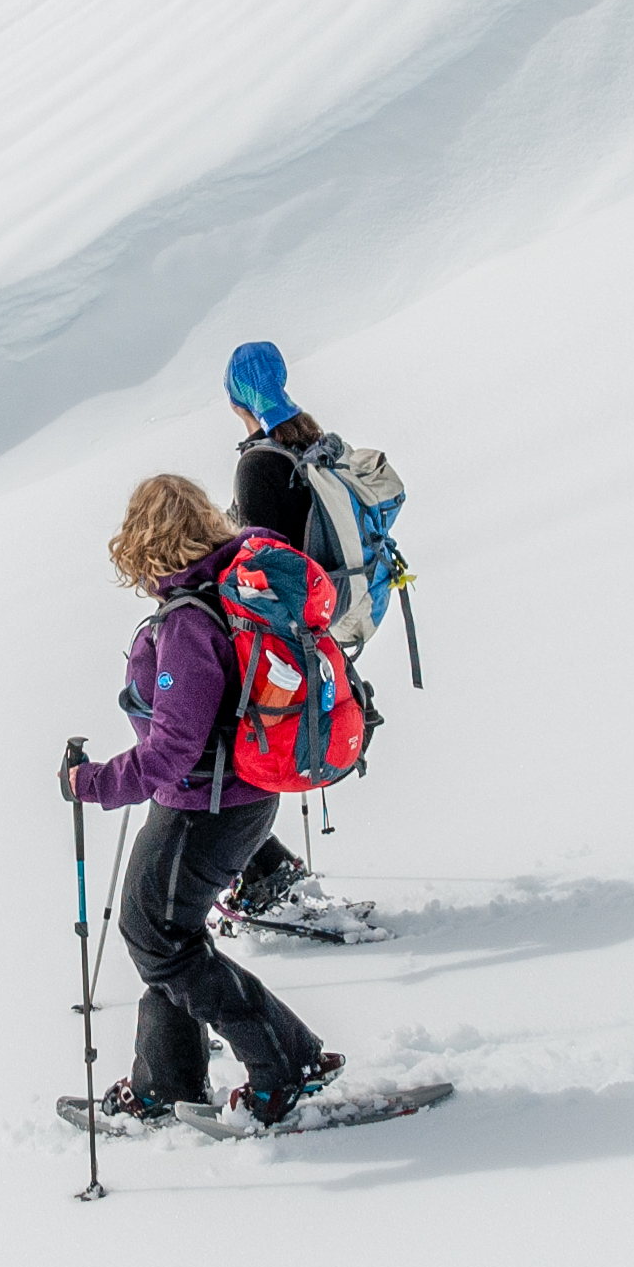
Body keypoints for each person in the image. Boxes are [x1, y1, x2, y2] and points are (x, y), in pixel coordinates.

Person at [62, 472, 344, 1128]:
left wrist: (93, 782)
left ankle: (287, 1061)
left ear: (147, 544)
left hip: (204, 809)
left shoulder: (190, 623)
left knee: (157, 938)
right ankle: (166, 1082)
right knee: (166, 935)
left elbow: (172, 750)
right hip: (236, 797)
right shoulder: (230, 583)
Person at [219, 340, 368, 917]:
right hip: (322, 625)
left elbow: (263, 564)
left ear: (238, 400)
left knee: (238, 741)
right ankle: (265, 865)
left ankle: (266, 869)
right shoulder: (313, 443)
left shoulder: (259, 464)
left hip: (283, 638)